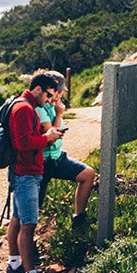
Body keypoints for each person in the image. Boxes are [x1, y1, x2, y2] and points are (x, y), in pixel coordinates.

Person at [4, 73, 65, 273]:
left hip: (24, 172)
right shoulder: (25, 109)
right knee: (28, 225)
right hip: (26, 174)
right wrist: (47, 138)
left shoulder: (23, 105)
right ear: (37, 89)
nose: (49, 99)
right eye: (48, 95)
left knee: (18, 219)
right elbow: (22, 143)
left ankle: (14, 265)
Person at [34, 70, 96, 230]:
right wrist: (59, 114)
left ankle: (79, 219)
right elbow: (52, 135)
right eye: (58, 91)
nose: (60, 94)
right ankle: (28, 242)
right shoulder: (40, 108)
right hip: (43, 162)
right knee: (34, 207)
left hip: (57, 158)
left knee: (88, 174)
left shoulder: (51, 107)